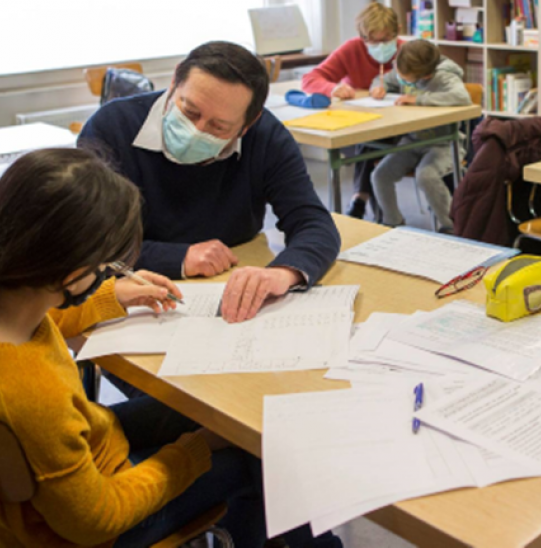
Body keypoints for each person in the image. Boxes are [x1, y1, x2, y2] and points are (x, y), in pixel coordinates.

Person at [0, 148, 341, 548]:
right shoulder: (32, 395)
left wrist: (115, 294)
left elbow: (50, 319)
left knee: (219, 412)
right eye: (105, 267)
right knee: (254, 449)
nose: (107, 273)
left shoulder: (17, 307)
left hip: (90, 445)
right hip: (97, 527)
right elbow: (96, 519)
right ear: (73, 273)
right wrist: (192, 453)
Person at [80, 41, 340, 323]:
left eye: (219, 127)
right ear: (175, 81)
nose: (195, 131)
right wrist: (178, 258)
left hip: (229, 294)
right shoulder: (111, 127)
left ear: (248, 124)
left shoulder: (265, 137)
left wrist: (283, 273)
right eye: (189, 111)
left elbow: (312, 221)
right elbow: (90, 243)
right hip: (135, 300)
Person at [301, 2, 404, 219]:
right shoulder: (352, 49)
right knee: (367, 138)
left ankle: (360, 197)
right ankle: (367, 203)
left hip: (400, 129)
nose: (379, 46)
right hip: (359, 123)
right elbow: (310, 78)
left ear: (397, 33)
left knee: (370, 141)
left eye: (385, 40)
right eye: (372, 40)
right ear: (362, 37)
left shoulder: (406, 52)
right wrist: (334, 88)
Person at [370, 40, 471, 232]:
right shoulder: (404, 68)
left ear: (426, 75)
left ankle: (450, 225)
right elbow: (382, 79)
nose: (400, 80)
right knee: (380, 175)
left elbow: (461, 97)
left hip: (445, 143)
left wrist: (419, 99)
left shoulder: (444, 76)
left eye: (405, 80)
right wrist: (377, 87)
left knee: (426, 176)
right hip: (412, 141)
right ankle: (393, 222)